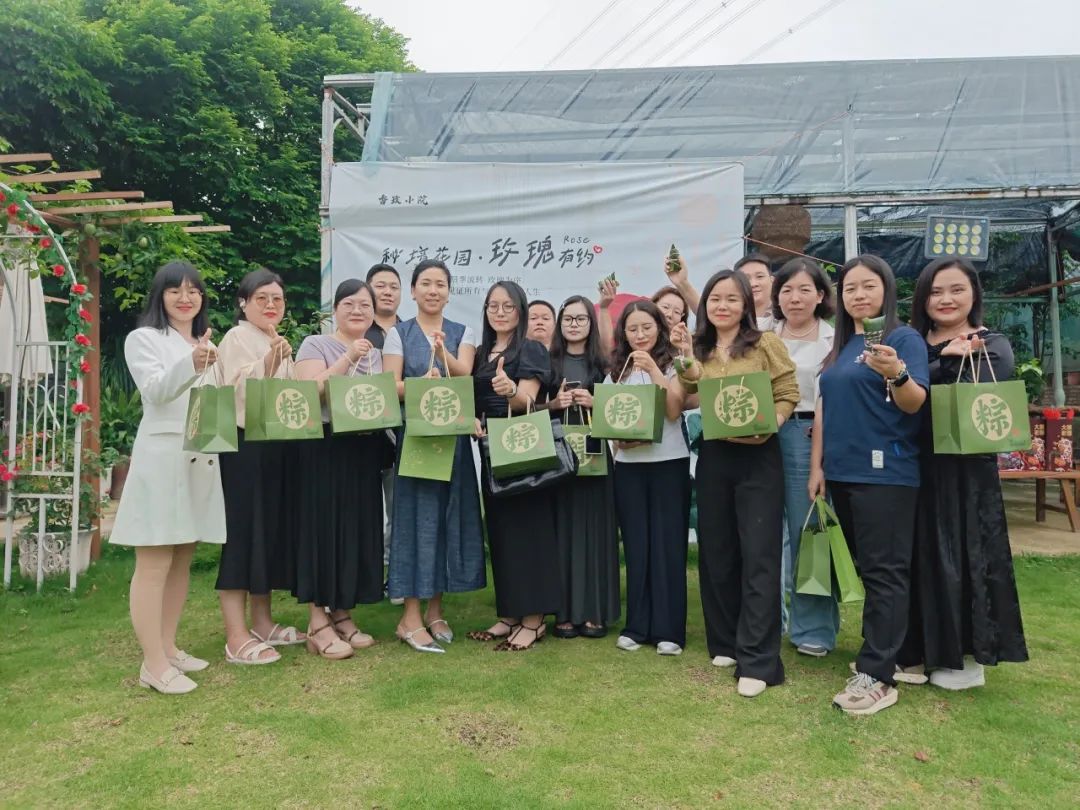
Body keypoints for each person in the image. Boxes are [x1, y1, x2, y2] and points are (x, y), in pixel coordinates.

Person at [898, 257, 1028, 689]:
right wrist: (939, 360)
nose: (946, 299)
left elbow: (988, 387)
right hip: (917, 462)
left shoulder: (992, 343)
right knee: (918, 555)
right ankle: (915, 650)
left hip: (967, 470)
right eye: (936, 291)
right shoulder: (912, 342)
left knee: (964, 554)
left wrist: (942, 365)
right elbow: (898, 389)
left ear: (973, 294)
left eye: (956, 289)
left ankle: (964, 658)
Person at [810, 254, 929, 715]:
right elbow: (824, 408)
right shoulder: (842, 345)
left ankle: (876, 675)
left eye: (868, 286)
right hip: (842, 472)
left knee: (885, 572)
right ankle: (887, 653)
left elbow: (914, 402)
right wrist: (818, 467)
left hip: (887, 474)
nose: (859, 295)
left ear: (886, 291)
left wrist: (895, 372)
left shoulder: (903, 339)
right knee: (868, 568)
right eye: (850, 288)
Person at [673, 270, 799, 698]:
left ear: (746, 304)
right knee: (718, 549)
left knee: (759, 553)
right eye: (715, 299)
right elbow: (690, 388)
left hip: (759, 454)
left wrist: (775, 421)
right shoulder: (701, 346)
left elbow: (787, 390)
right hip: (715, 453)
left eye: (731, 299)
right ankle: (725, 639)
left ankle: (760, 660)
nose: (722, 306)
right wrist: (686, 362)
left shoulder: (765, 344)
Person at [109, 261, 226, 694]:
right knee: (155, 560)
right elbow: (156, 391)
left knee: (182, 555)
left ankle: (169, 647)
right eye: (175, 290)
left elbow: (213, 401)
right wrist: (192, 363)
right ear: (160, 296)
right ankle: (152, 664)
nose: (185, 297)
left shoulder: (204, 341)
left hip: (197, 457)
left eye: (193, 290)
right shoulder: (144, 339)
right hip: (162, 458)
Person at [383, 259, 485, 653]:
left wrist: (443, 354)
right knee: (413, 523)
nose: (433, 290)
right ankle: (408, 615)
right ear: (413, 291)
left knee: (446, 520)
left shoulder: (463, 332)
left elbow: (465, 378)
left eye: (440, 284)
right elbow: (392, 387)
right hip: (417, 441)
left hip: (453, 441)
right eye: (425, 283)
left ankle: (435, 609)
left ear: (449, 291)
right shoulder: (399, 333)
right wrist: (419, 383)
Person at [215, 268, 304, 666]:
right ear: (243, 303)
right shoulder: (235, 337)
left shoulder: (279, 340)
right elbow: (235, 389)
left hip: (276, 447)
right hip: (243, 447)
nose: (271, 305)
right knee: (241, 534)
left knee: (267, 532)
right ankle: (235, 635)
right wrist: (269, 360)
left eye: (277, 299)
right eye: (261, 298)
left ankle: (262, 621)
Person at [292, 280, 385, 660]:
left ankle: (343, 612)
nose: (358, 311)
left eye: (365, 305)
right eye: (350, 304)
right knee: (322, 528)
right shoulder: (315, 345)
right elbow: (309, 390)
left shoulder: (375, 353)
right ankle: (317, 620)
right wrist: (347, 357)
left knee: (354, 528)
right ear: (335, 309)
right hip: (324, 444)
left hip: (361, 445)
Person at [471, 281, 560, 651]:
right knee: (502, 532)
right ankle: (509, 613)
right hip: (491, 447)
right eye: (493, 306)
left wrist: (511, 391)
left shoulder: (532, 348)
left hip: (523, 444)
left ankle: (534, 620)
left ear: (520, 311)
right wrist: (472, 419)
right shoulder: (480, 352)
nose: (500, 312)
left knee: (529, 533)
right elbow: (474, 397)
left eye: (508, 306)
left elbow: (529, 400)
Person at [607, 300, 690, 657]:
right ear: (622, 334)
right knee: (638, 545)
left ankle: (669, 629)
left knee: (668, 545)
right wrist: (617, 440)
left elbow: (673, 409)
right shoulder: (616, 369)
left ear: (659, 327)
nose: (640, 335)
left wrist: (655, 369)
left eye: (646, 327)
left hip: (669, 462)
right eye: (632, 329)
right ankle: (636, 625)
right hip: (629, 465)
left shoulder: (675, 365)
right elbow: (608, 418)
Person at [771, 257, 840, 658]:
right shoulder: (763, 333)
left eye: (803, 290)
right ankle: (770, 620)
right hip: (761, 434)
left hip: (806, 435)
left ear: (819, 295)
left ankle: (813, 628)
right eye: (786, 290)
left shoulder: (834, 339)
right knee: (764, 534)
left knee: (807, 532)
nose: (794, 298)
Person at [544, 295, 619, 639]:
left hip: (595, 457)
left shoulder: (604, 364)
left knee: (595, 533)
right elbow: (532, 407)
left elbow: (623, 409)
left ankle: (594, 611)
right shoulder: (548, 362)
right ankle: (562, 612)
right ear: (560, 324)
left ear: (591, 323)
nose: (574, 324)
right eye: (568, 319)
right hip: (559, 458)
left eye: (581, 319)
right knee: (560, 532)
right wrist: (554, 403)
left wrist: (596, 400)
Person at [365, 262, 403, 602]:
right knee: (363, 510)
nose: (388, 291)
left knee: (397, 508)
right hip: (361, 435)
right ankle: (365, 575)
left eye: (393, 286)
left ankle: (394, 577)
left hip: (398, 435)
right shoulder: (358, 332)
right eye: (380, 285)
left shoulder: (409, 333)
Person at [735, 253, 776, 330]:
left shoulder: (784, 312)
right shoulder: (732, 317)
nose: (753, 284)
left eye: (759, 276)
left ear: (772, 280)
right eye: (746, 278)